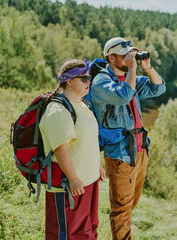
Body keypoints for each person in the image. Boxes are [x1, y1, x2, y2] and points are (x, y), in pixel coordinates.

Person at [89, 37, 166, 239]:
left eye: (131, 55)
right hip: (120, 153)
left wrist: (146, 67)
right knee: (121, 209)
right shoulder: (101, 81)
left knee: (131, 205)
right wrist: (133, 69)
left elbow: (159, 88)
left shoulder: (129, 79)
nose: (130, 59)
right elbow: (123, 95)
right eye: (125, 56)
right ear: (111, 58)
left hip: (139, 151)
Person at [39, 59, 106, 240]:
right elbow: (60, 149)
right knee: (67, 233)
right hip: (68, 186)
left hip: (88, 182)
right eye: (83, 79)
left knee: (88, 231)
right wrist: (73, 178)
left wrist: (96, 166)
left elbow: (88, 141)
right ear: (69, 81)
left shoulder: (82, 104)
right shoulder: (57, 110)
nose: (88, 82)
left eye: (89, 78)